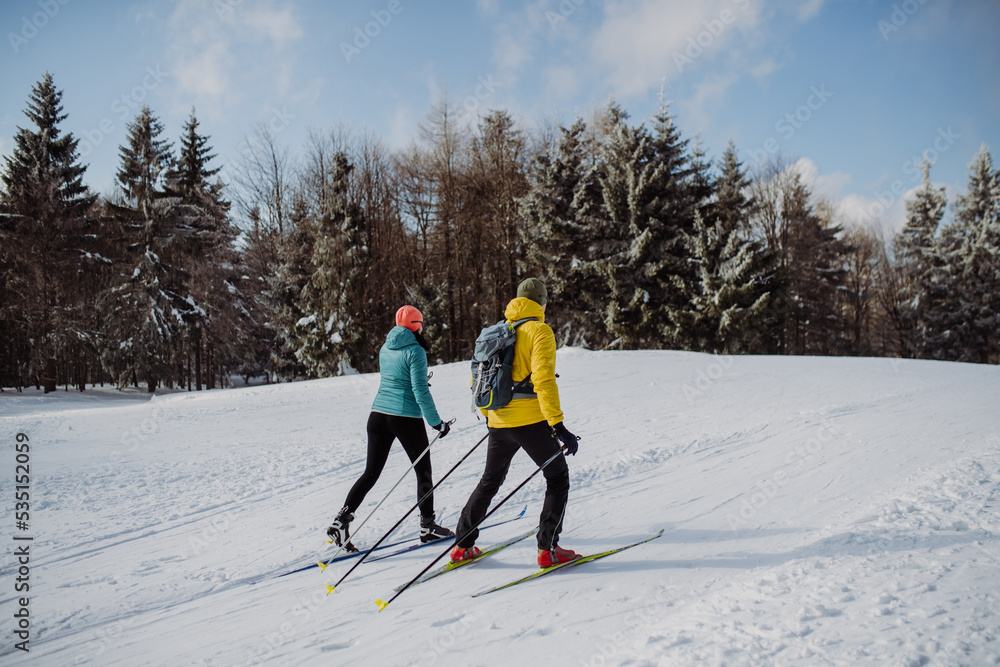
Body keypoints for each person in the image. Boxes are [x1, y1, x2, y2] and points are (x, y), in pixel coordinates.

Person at [451, 278, 582, 567]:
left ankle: (462, 545)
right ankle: (548, 549)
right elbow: (543, 380)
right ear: (542, 303)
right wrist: (558, 426)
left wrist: (489, 416)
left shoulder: (497, 331)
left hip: (498, 420)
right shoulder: (540, 331)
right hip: (530, 420)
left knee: (489, 482)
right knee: (558, 478)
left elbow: (478, 380)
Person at [327, 305, 454, 551]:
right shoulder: (416, 351)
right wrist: (437, 423)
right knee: (423, 472)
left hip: (378, 416)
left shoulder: (386, 347)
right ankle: (428, 528)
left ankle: (341, 520)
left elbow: (397, 379)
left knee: (371, 473)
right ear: (418, 326)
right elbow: (419, 390)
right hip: (404, 417)